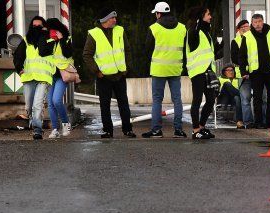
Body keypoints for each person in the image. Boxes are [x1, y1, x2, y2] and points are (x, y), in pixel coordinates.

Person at [83, 8, 136, 139]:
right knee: (104, 105)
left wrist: (127, 68)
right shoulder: (94, 33)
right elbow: (87, 55)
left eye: (115, 17)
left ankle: (128, 129)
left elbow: (127, 50)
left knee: (124, 103)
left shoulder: (120, 30)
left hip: (119, 74)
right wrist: (97, 71)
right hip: (104, 76)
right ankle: (107, 131)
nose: (115, 20)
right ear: (105, 20)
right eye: (112, 18)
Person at [142, 2, 187, 139]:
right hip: (175, 69)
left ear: (159, 14)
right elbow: (185, 49)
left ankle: (156, 130)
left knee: (157, 100)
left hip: (158, 69)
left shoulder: (154, 28)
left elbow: (147, 49)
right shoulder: (182, 28)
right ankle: (178, 130)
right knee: (177, 100)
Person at [13, 16, 55, 140]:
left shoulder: (50, 40)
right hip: (28, 77)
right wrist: (19, 68)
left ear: (44, 27)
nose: (36, 28)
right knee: (29, 106)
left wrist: (43, 36)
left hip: (43, 77)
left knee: (38, 104)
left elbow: (44, 52)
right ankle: (33, 119)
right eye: (34, 26)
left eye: (39, 26)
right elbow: (18, 56)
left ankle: (37, 130)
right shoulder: (26, 40)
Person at [186, 5, 223, 140]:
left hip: (207, 71)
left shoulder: (206, 32)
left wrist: (222, 43)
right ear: (201, 17)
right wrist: (196, 22)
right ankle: (195, 130)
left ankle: (201, 126)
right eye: (208, 14)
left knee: (210, 100)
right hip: (197, 71)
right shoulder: (193, 31)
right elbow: (193, 45)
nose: (211, 17)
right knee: (197, 100)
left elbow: (211, 53)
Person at [239, 14, 270, 129]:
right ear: (252, 23)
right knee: (257, 97)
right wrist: (243, 71)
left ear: (263, 21)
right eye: (255, 22)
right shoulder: (247, 36)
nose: (257, 24)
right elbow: (242, 56)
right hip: (255, 71)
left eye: (259, 21)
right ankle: (258, 122)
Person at [45, 18, 73, 139]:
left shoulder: (67, 38)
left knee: (56, 100)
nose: (50, 32)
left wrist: (61, 39)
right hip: (51, 75)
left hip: (63, 74)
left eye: (51, 29)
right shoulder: (49, 40)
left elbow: (68, 54)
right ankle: (55, 129)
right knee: (50, 103)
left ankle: (66, 124)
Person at [231, 20, 255, 128]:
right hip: (242, 74)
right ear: (239, 29)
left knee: (261, 97)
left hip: (254, 71)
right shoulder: (236, 41)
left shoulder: (253, 37)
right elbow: (235, 58)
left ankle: (258, 120)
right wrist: (245, 62)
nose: (246, 28)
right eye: (244, 27)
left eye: (248, 26)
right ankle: (247, 122)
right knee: (244, 99)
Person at [217, 64, 242, 128]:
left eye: (232, 70)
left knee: (237, 97)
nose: (230, 72)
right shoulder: (220, 79)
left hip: (234, 99)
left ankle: (239, 121)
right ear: (224, 72)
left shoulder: (238, 79)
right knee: (227, 84)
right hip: (223, 98)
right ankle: (242, 96)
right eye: (228, 70)